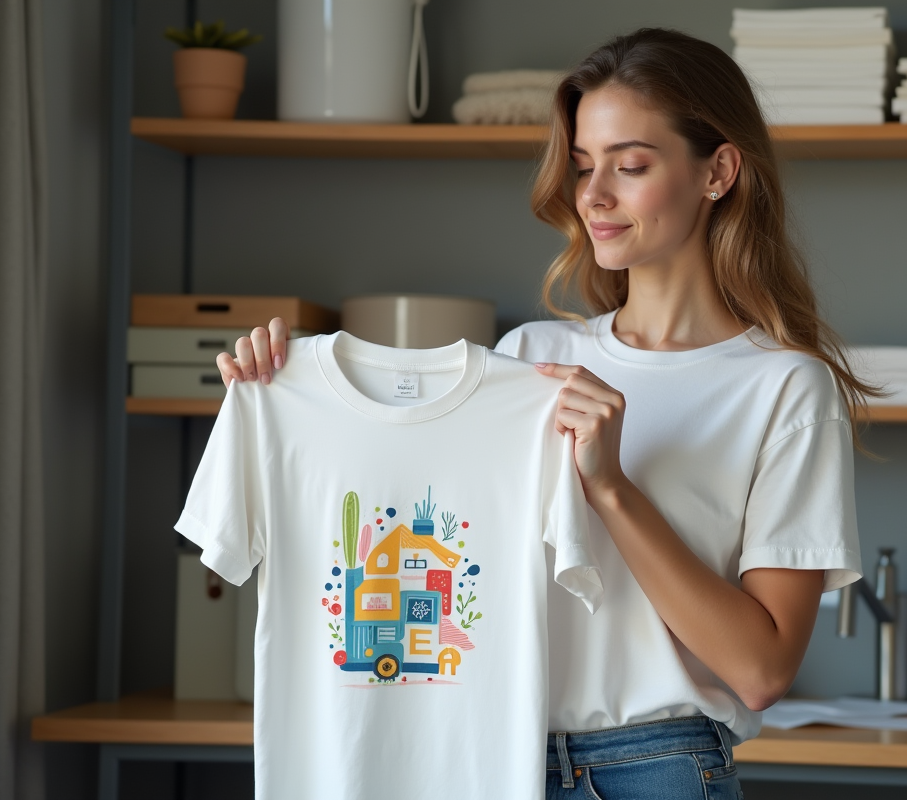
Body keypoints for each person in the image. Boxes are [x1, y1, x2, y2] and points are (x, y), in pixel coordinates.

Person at [217, 28, 873, 800]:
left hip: (656, 769)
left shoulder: (786, 388)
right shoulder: (529, 355)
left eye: (630, 166)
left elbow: (760, 671)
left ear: (718, 171)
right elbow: (418, 521)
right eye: (585, 166)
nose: (593, 196)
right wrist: (284, 389)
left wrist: (613, 489)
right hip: (488, 756)